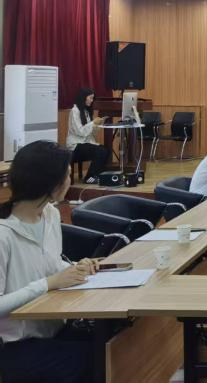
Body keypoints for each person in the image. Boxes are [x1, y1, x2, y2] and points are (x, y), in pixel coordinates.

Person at [0, 140, 98, 383]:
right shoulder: (3, 234)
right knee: (97, 359)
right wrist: (49, 283)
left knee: (115, 340)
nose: (69, 180)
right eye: (67, 175)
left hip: (54, 328)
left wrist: (75, 269)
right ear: (52, 185)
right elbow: (47, 280)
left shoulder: (51, 215)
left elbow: (51, 266)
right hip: (16, 346)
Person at [66, 88, 111, 184]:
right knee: (99, 151)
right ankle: (89, 177)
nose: (91, 100)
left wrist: (98, 124)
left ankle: (97, 175)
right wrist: (93, 123)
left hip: (85, 143)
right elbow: (80, 132)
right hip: (75, 145)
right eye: (90, 98)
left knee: (106, 150)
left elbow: (92, 134)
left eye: (92, 98)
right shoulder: (75, 111)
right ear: (83, 97)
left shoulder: (86, 111)